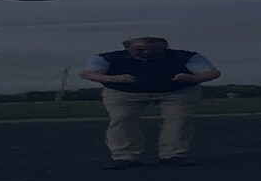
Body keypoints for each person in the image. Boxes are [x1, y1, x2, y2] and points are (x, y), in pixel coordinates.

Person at [80, 37, 220, 166]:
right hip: (124, 92)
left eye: (154, 50)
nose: (147, 52)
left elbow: (212, 72)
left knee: (179, 119)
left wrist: (193, 78)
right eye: (140, 50)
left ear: (165, 47)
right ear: (127, 48)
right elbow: (89, 73)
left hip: (177, 91)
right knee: (122, 119)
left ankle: (173, 155)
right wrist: (113, 79)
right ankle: (124, 157)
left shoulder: (186, 56)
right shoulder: (106, 58)